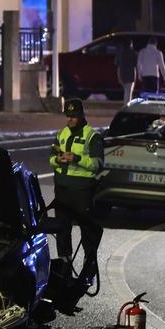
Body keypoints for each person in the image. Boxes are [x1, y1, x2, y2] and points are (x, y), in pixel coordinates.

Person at [49, 98, 104, 285]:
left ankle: (89, 269)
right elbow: (51, 158)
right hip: (63, 190)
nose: (71, 119)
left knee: (87, 231)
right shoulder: (61, 133)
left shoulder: (92, 136)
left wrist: (77, 158)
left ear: (81, 115)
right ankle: (65, 269)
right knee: (62, 230)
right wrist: (58, 160)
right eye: (68, 116)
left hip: (82, 191)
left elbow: (97, 164)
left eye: (74, 116)